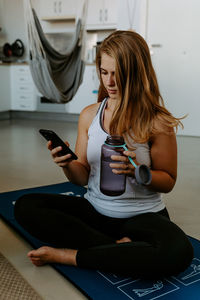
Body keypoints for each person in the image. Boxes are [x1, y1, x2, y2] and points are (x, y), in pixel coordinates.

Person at [14, 30, 193, 279]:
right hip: (95, 211)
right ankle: (120, 247)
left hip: (143, 216)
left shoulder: (157, 122)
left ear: (136, 74)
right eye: (104, 72)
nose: (109, 82)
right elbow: (82, 178)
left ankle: (70, 256)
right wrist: (66, 164)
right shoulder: (89, 115)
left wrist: (137, 171)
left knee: (179, 252)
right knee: (26, 206)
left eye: (117, 75)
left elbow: (168, 181)